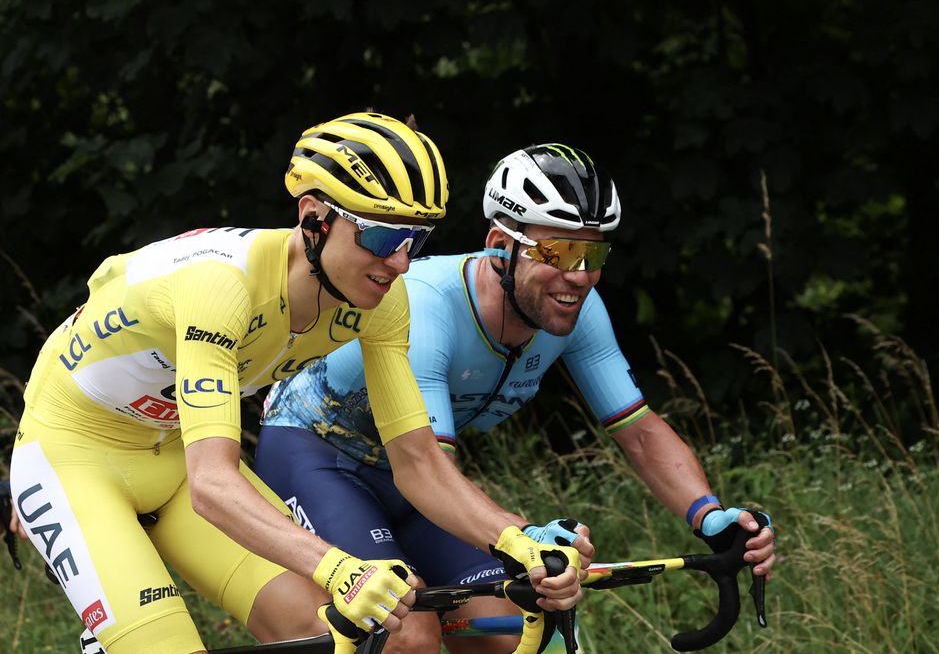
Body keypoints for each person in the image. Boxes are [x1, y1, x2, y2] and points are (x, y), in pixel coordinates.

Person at [6, 114, 582, 654]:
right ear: (314, 217)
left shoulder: (384, 300)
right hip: (73, 455)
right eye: (383, 238)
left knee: (331, 632)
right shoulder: (221, 288)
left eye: (417, 241)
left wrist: (517, 541)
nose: (402, 263)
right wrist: (339, 567)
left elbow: (419, 463)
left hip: (172, 452)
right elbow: (213, 484)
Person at [253, 142, 777, 653]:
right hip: (320, 456)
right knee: (405, 634)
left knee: (507, 625)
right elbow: (430, 468)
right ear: (501, 246)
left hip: (411, 473)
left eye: (593, 252)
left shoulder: (576, 310)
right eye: (558, 250)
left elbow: (639, 432)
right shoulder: (428, 307)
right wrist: (523, 537)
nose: (579, 275)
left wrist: (709, 516)